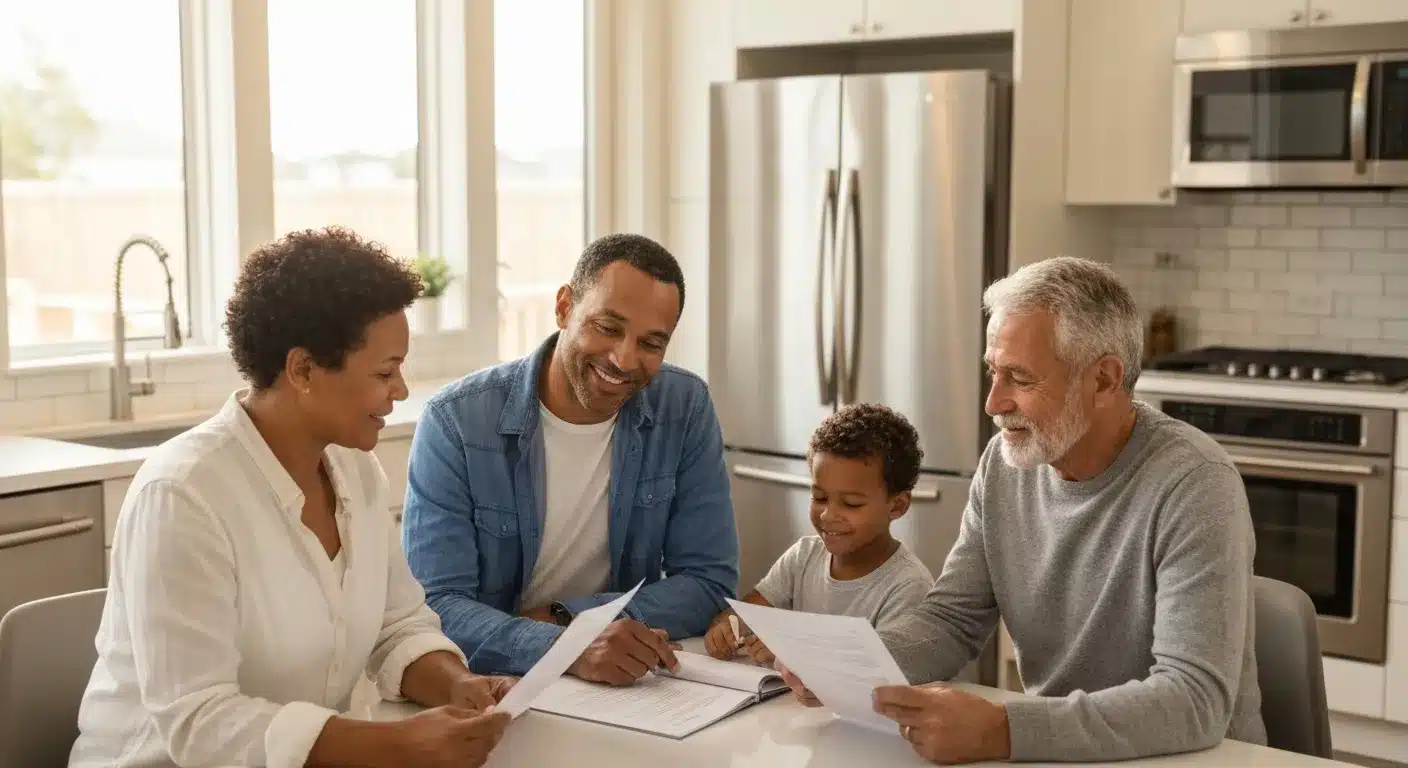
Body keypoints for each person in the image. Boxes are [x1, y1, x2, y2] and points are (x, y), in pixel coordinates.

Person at [776, 256, 1266, 764]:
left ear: (1103, 380)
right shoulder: (1006, 464)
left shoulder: (1195, 483)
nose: (992, 402)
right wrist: (850, 668)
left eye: (1020, 378)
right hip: (1063, 753)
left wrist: (1004, 730)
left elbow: (1194, 701)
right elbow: (953, 619)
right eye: (993, 371)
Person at [70, 228, 513, 768]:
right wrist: (397, 745)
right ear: (302, 369)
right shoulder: (183, 496)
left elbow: (398, 624)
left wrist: (457, 684)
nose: (400, 389)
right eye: (384, 371)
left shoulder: (357, 471)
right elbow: (199, 723)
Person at [403, 233, 738, 682]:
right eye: (608, 327)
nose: (623, 358)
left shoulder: (684, 405)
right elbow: (435, 609)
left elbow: (708, 582)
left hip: (621, 681)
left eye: (650, 344)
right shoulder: (457, 422)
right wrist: (570, 645)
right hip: (497, 681)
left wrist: (567, 617)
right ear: (564, 307)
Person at [704, 403, 934, 665]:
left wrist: (795, 653)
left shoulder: (909, 586)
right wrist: (727, 626)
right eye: (820, 497)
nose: (828, 515)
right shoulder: (803, 557)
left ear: (897, 506)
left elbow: (882, 672)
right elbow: (749, 612)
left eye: (851, 504)